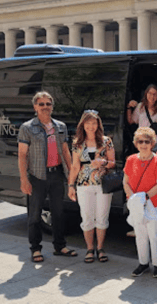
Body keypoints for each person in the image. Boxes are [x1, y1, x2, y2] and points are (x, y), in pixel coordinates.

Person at [18, 91, 77, 262]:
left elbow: (65, 151)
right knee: (35, 215)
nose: (45, 107)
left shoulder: (60, 126)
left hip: (56, 174)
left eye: (48, 104)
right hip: (37, 176)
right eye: (41, 104)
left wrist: (71, 173)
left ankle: (60, 246)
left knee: (58, 213)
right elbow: (22, 155)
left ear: (52, 106)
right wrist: (24, 179)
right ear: (35, 107)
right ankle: (35, 249)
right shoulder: (27, 128)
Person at [67, 110, 115, 263]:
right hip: (84, 184)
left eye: (94, 123)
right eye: (88, 123)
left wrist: (103, 163)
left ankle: (100, 248)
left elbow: (113, 163)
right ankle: (89, 249)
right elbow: (75, 167)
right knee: (87, 217)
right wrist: (70, 185)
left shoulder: (106, 140)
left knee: (102, 217)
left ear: (98, 124)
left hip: (103, 185)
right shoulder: (77, 143)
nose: (91, 126)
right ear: (83, 124)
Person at [123, 127, 157, 278]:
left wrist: (144, 198)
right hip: (136, 203)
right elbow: (125, 182)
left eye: (147, 141)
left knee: (155, 234)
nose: (143, 144)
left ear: (152, 143)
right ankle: (143, 263)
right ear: (136, 143)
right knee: (140, 234)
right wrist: (134, 198)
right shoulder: (131, 159)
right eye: (140, 141)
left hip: (156, 202)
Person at [126, 84, 157, 151]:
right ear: (146, 94)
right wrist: (128, 107)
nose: (152, 96)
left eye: (154, 94)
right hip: (143, 143)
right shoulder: (140, 107)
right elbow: (130, 121)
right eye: (150, 93)